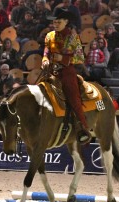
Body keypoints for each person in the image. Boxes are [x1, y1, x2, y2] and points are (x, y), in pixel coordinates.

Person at [42, 10, 91, 145]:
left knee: (73, 95)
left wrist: (63, 59)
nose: (55, 24)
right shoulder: (49, 36)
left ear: (66, 22)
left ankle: (82, 128)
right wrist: (45, 59)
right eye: (54, 22)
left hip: (67, 72)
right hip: (50, 70)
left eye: (58, 22)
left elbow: (80, 58)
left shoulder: (73, 37)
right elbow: (46, 51)